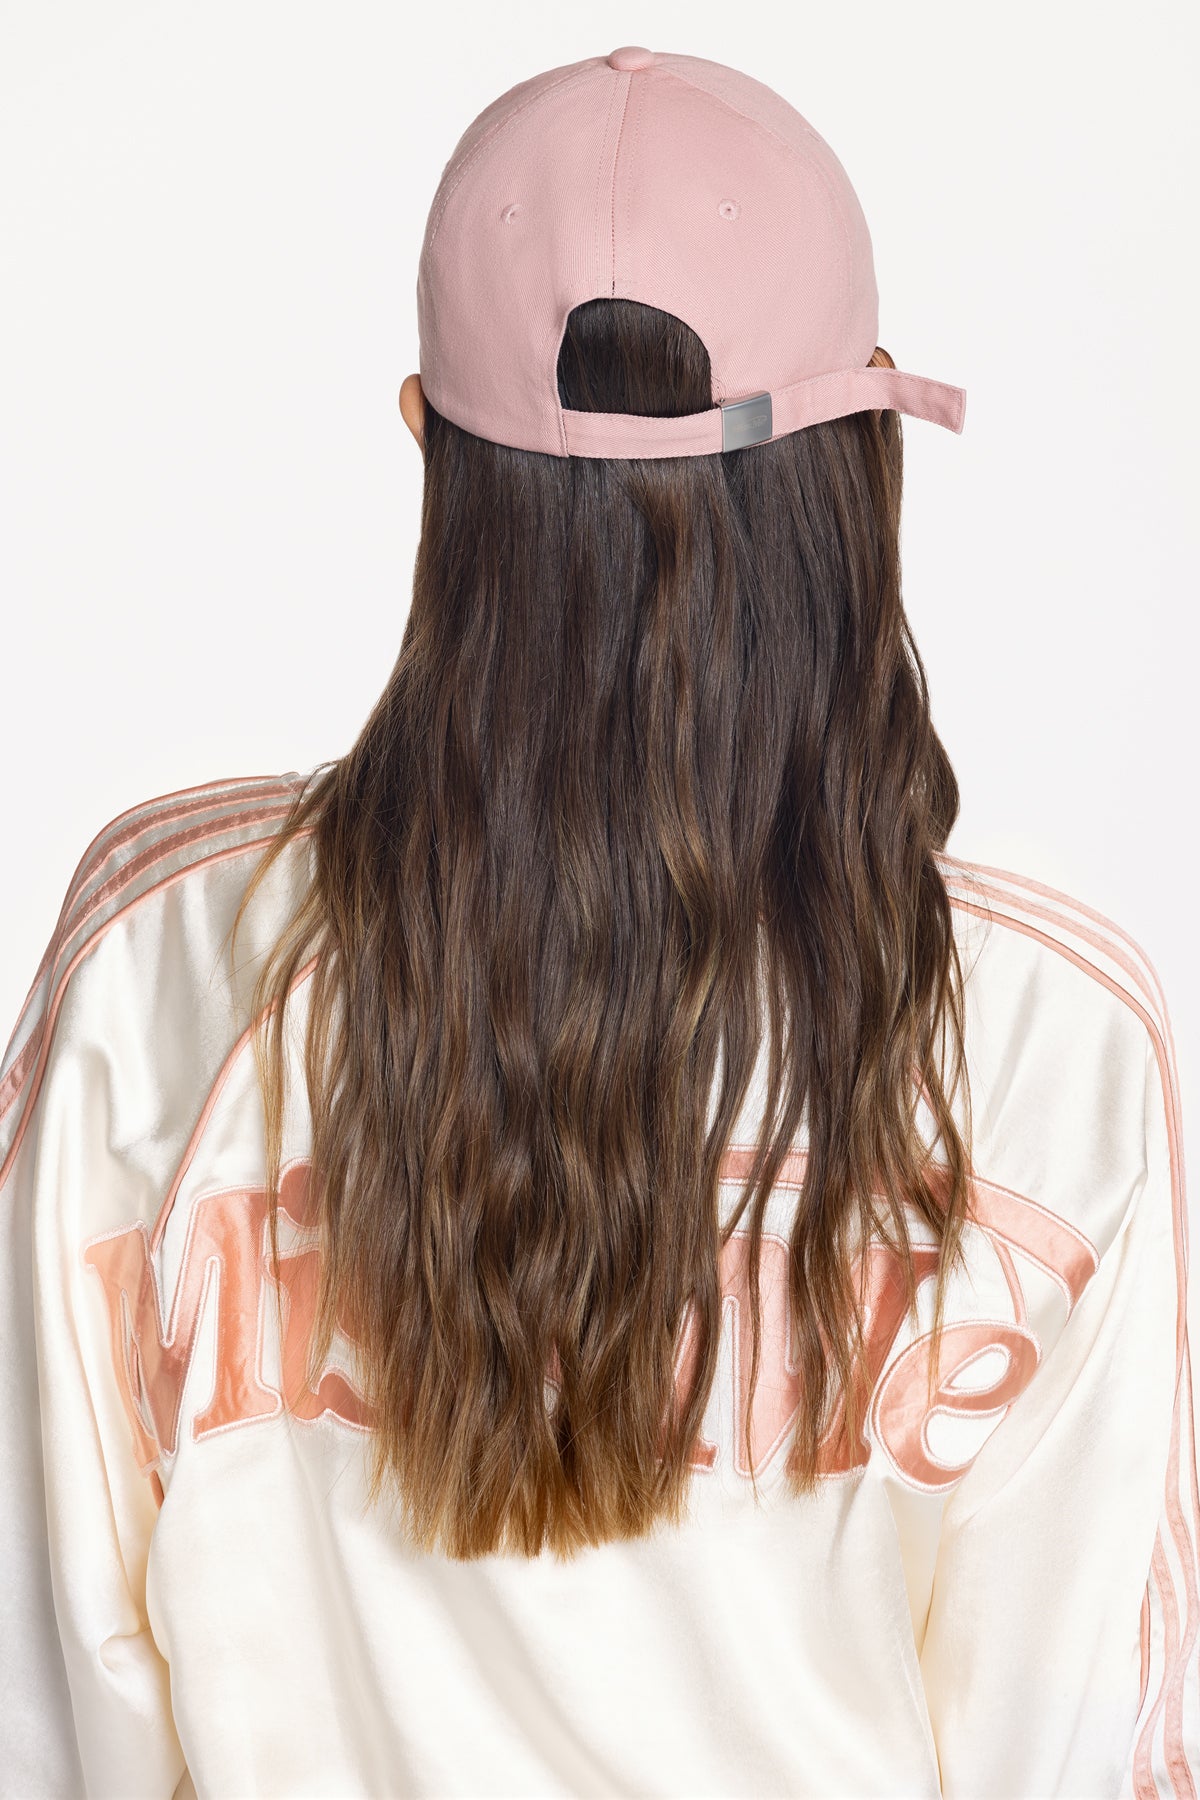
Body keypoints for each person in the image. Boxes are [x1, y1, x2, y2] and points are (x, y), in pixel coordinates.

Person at [1, 44, 1195, 1800]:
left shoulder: (157, 960)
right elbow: (1077, 1751)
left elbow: (36, 1702)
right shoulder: (1048, 1042)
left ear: (430, 443)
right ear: (865, 454)